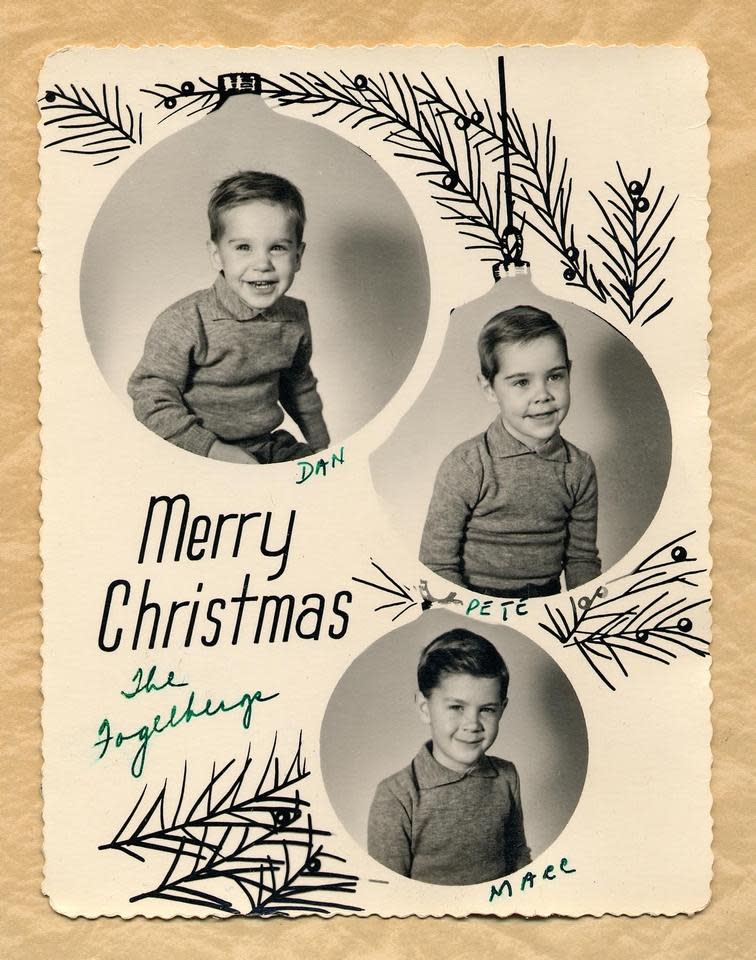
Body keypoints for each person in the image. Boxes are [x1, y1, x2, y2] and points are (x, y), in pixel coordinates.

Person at [128, 171, 330, 464]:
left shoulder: (294, 318)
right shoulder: (186, 321)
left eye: (277, 247)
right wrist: (214, 451)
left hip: (267, 446)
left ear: (298, 256)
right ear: (217, 255)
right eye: (243, 247)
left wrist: (323, 449)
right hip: (193, 450)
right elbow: (150, 398)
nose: (262, 264)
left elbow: (298, 385)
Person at [419, 305, 600, 597]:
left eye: (554, 376)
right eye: (522, 382)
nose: (542, 395)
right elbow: (436, 566)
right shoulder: (467, 465)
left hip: (547, 603)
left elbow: (582, 561)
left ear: (570, 373)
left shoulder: (578, 468)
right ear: (489, 388)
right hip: (477, 602)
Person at [367, 628, 531, 885]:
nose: (472, 724)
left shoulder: (506, 776)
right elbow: (388, 892)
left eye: (487, 709)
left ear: (502, 710)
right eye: (457, 707)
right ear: (425, 708)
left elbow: (518, 859)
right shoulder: (397, 795)